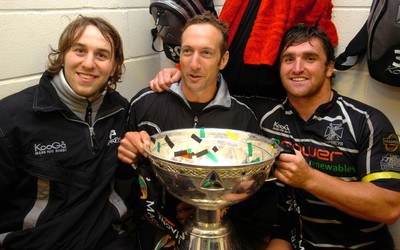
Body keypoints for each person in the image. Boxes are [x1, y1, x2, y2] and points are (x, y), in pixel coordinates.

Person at [148, 24, 400, 249]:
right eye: (288, 59)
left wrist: (310, 179)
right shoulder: (263, 115)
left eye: (309, 58)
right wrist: (178, 77)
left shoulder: (366, 121)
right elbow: (211, 94)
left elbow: (390, 206)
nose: (297, 68)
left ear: (329, 68)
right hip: (287, 238)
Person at [118, 12, 276, 249]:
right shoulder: (145, 104)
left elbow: (256, 202)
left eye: (206, 53)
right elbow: (122, 183)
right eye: (187, 51)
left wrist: (220, 208)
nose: (194, 64)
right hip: (152, 233)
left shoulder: (242, 119)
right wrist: (126, 155)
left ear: (223, 60)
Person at [0, 15, 133, 249]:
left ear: (114, 66)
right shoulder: (12, 118)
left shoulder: (120, 110)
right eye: (80, 51)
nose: (89, 63)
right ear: (63, 56)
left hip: (107, 239)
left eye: (101, 55)